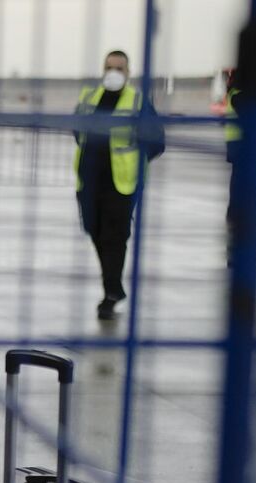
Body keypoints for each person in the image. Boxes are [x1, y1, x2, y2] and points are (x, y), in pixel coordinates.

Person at [74, 50, 164, 320]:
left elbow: (157, 141)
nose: (113, 73)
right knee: (94, 231)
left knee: (114, 237)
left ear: (128, 72)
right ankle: (113, 286)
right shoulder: (88, 97)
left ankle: (111, 293)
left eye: (119, 68)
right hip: (89, 180)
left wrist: (136, 160)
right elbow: (76, 129)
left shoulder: (137, 101)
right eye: (109, 67)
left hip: (122, 183)